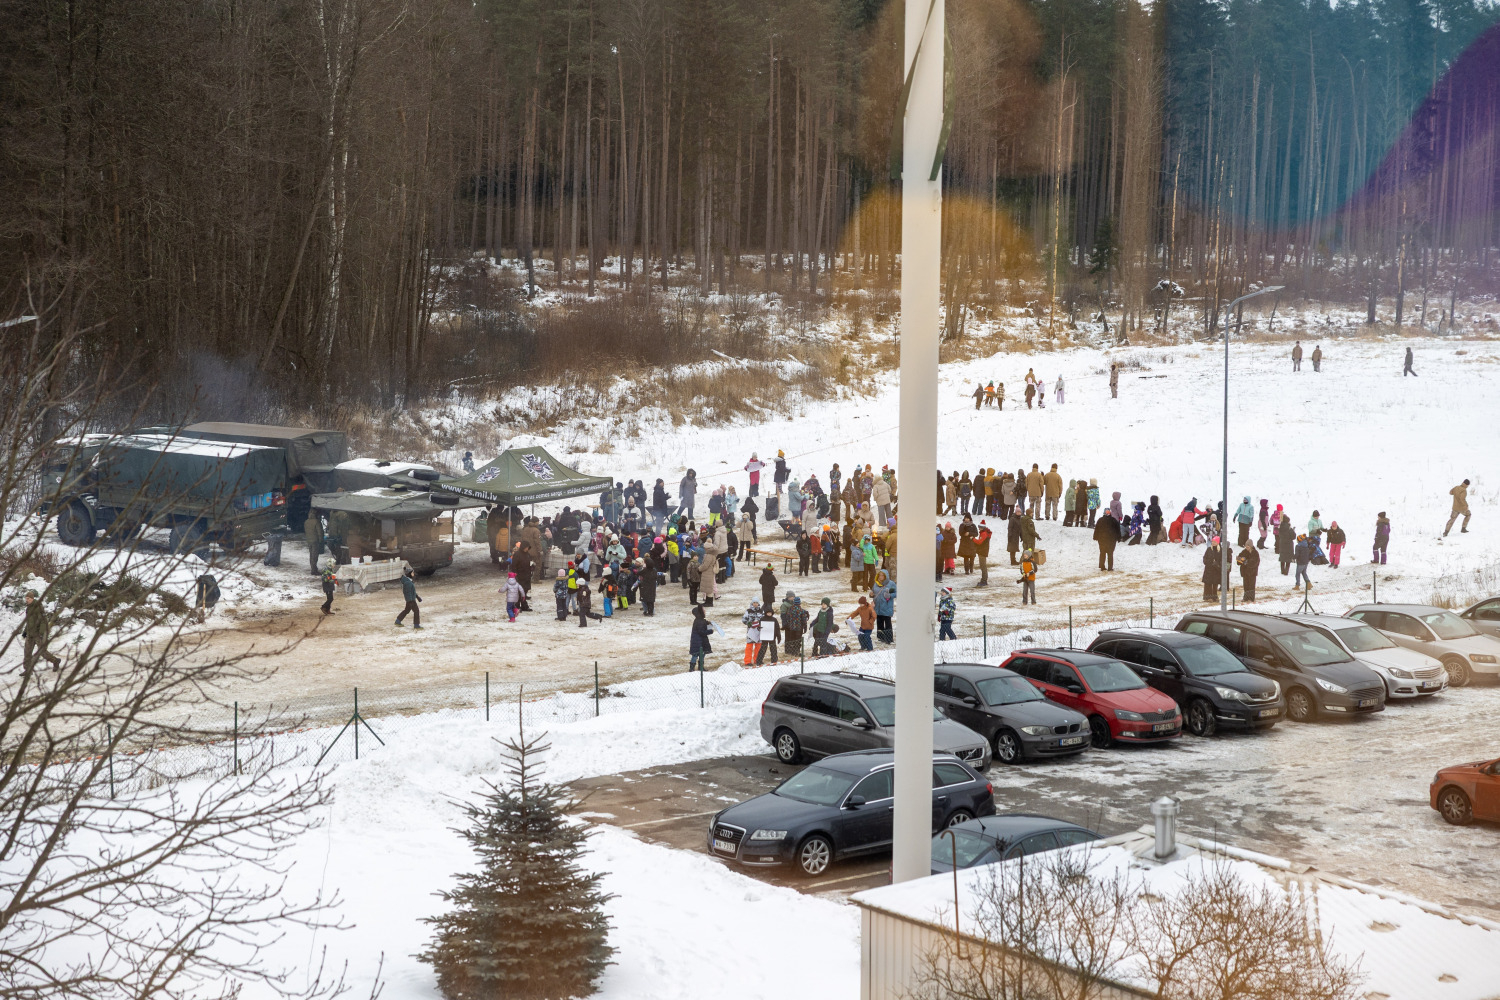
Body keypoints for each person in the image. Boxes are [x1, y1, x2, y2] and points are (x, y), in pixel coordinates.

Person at [21, 590, 62, 671]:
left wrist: (41, 633)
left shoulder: (38, 607)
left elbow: (43, 621)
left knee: (42, 652)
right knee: (27, 652)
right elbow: (29, 621)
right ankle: (27, 670)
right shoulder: (28, 608)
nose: (27, 600)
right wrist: (25, 632)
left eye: (28, 598)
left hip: (37, 634)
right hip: (30, 634)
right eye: (26, 598)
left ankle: (55, 661)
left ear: (32, 599)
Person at [872, 570, 896, 643]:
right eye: (879, 575)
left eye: (882, 575)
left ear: (886, 576)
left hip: (887, 607)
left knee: (888, 623)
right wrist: (871, 594)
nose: (880, 577)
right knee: (879, 623)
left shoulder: (891, 584)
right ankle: (881, 638)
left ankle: (889, 639)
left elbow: (896, 593)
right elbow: (874, 592)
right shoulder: (876, 583)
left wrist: (890, 595)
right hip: (878, 607)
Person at [1094, 507, 1120, 571]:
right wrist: (1118, 538)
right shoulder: (1114, 520)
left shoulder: (1100, 520)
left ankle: (1102, 566)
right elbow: (1117, 530)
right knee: (1110, 553)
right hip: (1111, 540)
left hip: (1102, 539)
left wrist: (1095, 537)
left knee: (1102, 552)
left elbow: (1097, 529)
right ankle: (1110, 567)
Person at [689, 605, 712, 671]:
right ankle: (692, 668)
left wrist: (708, 623)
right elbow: (701, 631)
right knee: (696, 655)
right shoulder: (699, 621)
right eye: (703, 610)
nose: (705, 611)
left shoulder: (700, 620)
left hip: (701, 641)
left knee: (702, 654)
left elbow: (703, 625)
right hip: (698, 642)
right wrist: (710, 631)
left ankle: (700, 667)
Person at [1202, 537, 1224, 602]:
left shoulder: (1220, 551)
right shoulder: (1209, 549)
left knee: (1215, 584)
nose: (1213, 543)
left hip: (1216, 570)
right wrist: (1208, 562)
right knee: (1208, 584)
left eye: (1214, 542)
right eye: (1212, 542)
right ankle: (1207, 597)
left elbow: (1222, 560)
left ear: (1218, 542)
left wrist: (1217, 564)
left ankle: (1214, 596)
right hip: (1208, 569)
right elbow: (1204, 558)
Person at [742, 601, 764, 665]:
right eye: (754, 602)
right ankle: (747, 661)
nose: (755, 604)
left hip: (759, 630)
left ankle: (757, 660)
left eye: (756, 602)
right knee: (749, 646)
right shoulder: (748, 611)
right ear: (752, 603)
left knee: (759, 646)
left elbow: (764, 619)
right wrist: (749, 623)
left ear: (758, 603)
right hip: (750, 631)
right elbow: (743, 619)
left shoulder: (761, 611)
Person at [975, 519, 992, 586]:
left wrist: (973, 539)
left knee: (983, 566)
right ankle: (984, 579)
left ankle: (984, 580)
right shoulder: (984, 533)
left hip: (982, 551)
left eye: (980, 527)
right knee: (983, 566)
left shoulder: (984, 533)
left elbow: (979, 542)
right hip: (983, 551)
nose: (979, 528)